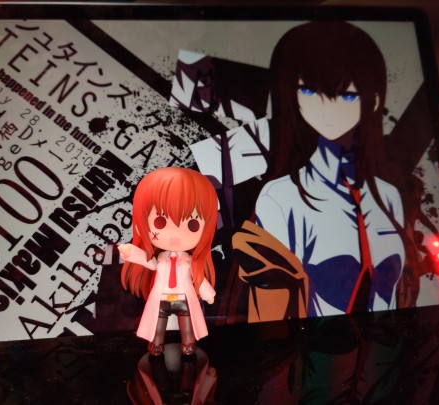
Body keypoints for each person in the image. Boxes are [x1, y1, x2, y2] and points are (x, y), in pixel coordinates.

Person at [253, 22, 407, 317]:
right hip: (315, 345)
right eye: (309, 91)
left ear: (373, 100)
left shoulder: (388, 197)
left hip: (389, 343)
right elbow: (273, 313)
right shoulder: (281, 198)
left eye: (347, 95)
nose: (327, 108)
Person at [119, 167, 217, 356]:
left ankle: (188, 345)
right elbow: (147, 262)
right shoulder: (161, 259)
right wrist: (131, 252)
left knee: (187, 327)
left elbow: (198, 278)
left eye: (192, 224)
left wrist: (208, 294)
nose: (175, 235)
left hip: (184, 300)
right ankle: (156, 345)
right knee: (158, 326)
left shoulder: (188, 261)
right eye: (160, 222)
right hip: (161, 299)